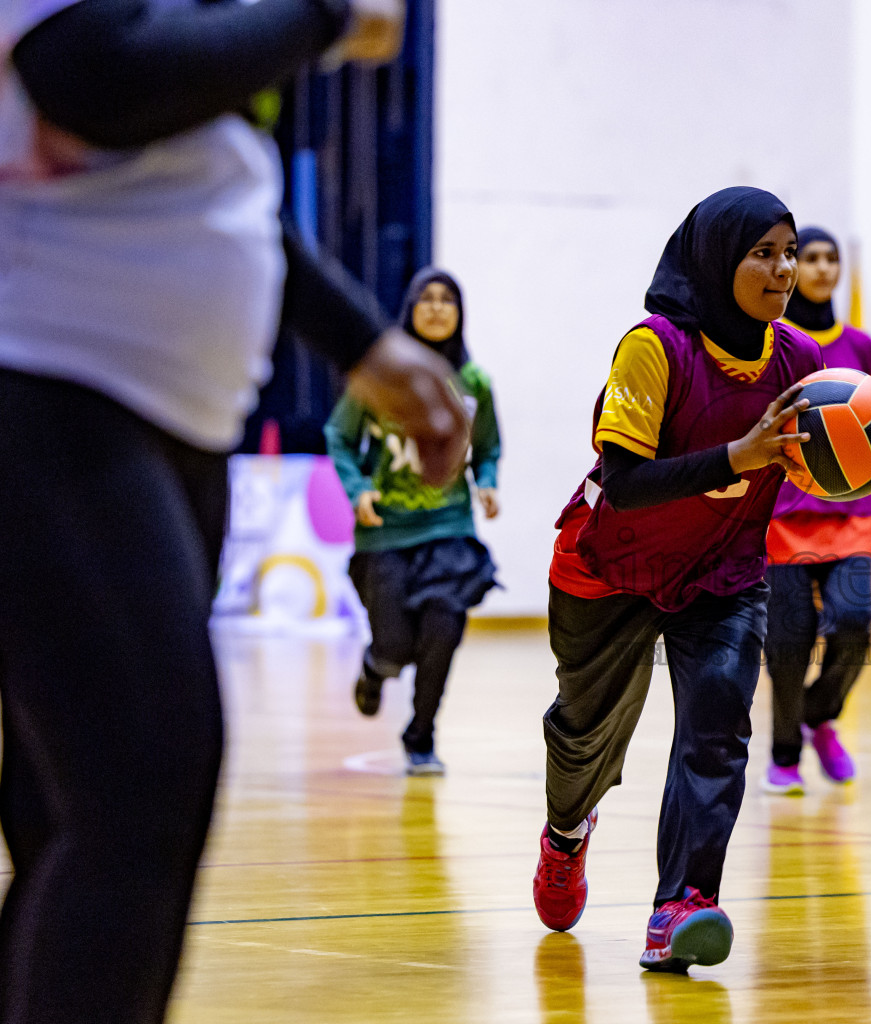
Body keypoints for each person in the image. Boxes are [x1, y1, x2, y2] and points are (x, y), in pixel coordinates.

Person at [0, 2, 470, 1021]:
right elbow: (90, 78)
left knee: (69, 810)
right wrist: (325, 13)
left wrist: (359, 340)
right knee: (140, 785)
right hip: (45, 379)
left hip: (157, 402)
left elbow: (203, 162)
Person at [531, 186, 823, 972]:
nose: (783, 268)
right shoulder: (655, 347)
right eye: (763, 252)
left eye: (789, 252)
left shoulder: (801, 362)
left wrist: (867, 454)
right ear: (717, 258)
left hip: (722, 573)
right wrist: (739, 456)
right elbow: (624, 481)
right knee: (586, 731)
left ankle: (681, 906)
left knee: (718, 718)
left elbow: (827, 471)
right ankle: (566, 834)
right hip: (610, 566)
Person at [327, 268, 502, 777]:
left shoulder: (475, 384)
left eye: (447, 299)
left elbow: (486, 448)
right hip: (386, 531)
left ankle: (421, 735)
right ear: (410, 309)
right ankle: (376, 666)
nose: (435, 307)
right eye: (425, 298)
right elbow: (339, 437)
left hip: (449, 528)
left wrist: (487, 480)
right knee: (396, 645)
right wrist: (359, 490)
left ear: (459, 313)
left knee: (444, 627)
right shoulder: (381, 380)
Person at [762, 226, 871, 795]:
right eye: (808, 257)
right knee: (787, 642)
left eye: (829, 258)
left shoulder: (861, 346)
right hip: (783, 517)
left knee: (856, 623)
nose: (819, 268)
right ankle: (784, 752)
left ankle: (819, 713)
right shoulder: (771, 342)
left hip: (851, 514)